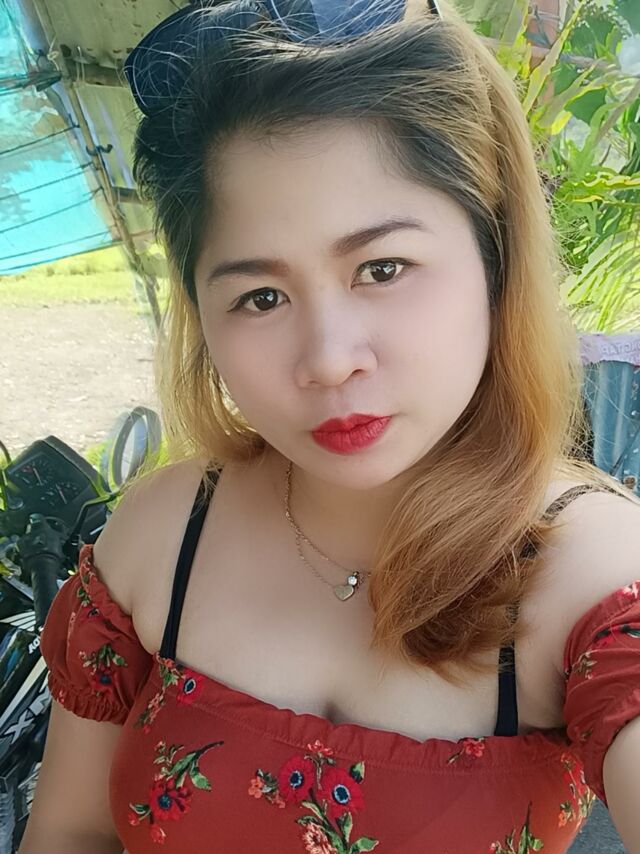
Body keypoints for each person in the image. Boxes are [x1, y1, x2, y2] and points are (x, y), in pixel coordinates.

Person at [20, 1, 640, 852]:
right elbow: (71, 832)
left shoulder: (588, 571)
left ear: (495, 261)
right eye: (260, 297)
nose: (328, 359)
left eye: (382, 268)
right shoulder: (164, 530)